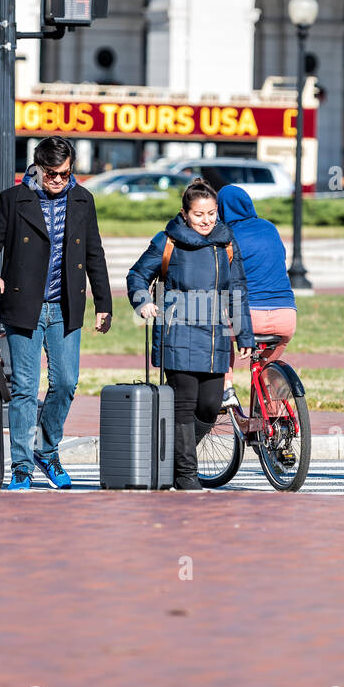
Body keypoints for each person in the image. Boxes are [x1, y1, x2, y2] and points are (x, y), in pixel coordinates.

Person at [0, 135, 112, 491]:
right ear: (37, 168)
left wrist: (104, 303)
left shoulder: (82, 200)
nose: (58, 181)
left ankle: (45, 450)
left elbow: (94, 253)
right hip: (24, 306)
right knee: (24, 388)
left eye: (65, 174)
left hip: (66, 305)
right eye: (51, 174)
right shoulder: (14, 199)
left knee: (66, 383)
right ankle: (22, 465)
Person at [128, 178, 255, 490]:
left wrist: (245, 334)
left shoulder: (226, 242)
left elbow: (237, 289)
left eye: (211, 213)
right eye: (199, 214)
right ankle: (186, 476)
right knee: (183, 405)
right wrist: (143, 302)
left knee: (210, 407)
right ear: (184, 213)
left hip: (214, 336)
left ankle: (171, 458)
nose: (206, 220)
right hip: (177, 333)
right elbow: (137, 274)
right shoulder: (167, 240)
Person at [216, 183, 295, 408]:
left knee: (216, 334)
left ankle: (225, 388)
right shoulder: (269, 228)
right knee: (267, 372)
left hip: (249, 316)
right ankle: (275, 423)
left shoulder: (226, 234)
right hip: (286, 316)